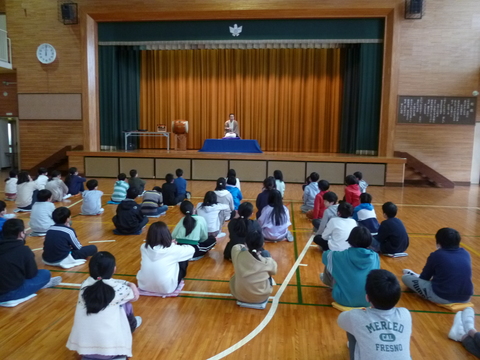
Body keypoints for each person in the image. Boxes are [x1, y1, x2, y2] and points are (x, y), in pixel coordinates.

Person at [66, 251, 142, 359]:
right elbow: (135, 296)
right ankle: (133, 325)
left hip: (84, 350)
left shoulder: (84, 285)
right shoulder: (120, 290)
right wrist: (131, 284)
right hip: (112, 351)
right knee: (126, 305)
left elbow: (103, 282)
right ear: (114, 269)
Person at [337, 269, 412, 360]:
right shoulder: (405, 314)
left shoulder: (355, 316)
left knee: (351, 323)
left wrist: (362, 311)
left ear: (367, 297)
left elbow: (340, 320)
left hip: (356, 317)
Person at [402, 227, 473, 304]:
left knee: (405, 278)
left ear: (439, 242)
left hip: (442, 297)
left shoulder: (437, 255)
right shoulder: (466, 253)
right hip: (466, 298)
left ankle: (416, 279)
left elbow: (424, 278)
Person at [0, 219, 62, 303]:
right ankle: (42, 284)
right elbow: (31, 274)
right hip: (9, 293)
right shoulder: (24, 250)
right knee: (45, 273)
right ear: (21, 234)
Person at [321, 226, 380, 307]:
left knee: (330, 263)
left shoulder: (341, 256)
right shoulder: (375, 256)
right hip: (369, 300)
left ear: (351, 239)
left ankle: (329, 283)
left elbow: (325, 255)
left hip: (343, 299)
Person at [137, 221, 195, 294]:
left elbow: (159, 249)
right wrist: (174, 245)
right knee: (183, 258)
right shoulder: (173, 249)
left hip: (143, 285)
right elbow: (191, 250)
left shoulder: (143, 247)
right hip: (167, 288)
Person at [230, 230, 277, 304]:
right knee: (266, 254)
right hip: (261, 297)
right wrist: (263, 256)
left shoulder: (237, 253)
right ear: (263, 244)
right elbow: (274, 271)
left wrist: (247, 247)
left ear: (245, 243)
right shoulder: (267, 262)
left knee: (235, 275)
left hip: (239, 295)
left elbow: (237, 246)